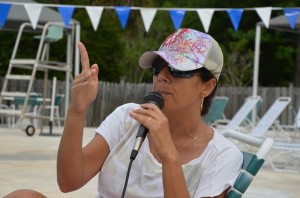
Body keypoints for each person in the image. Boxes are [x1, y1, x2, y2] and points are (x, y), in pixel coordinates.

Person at [4, 28, 243, 198]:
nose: (162, 75)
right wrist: (77, 111)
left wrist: (168, 154)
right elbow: (69, 181)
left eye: (178, 69)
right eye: (158, 66)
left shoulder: (222, 155)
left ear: (207, 86)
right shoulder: (127, 118)